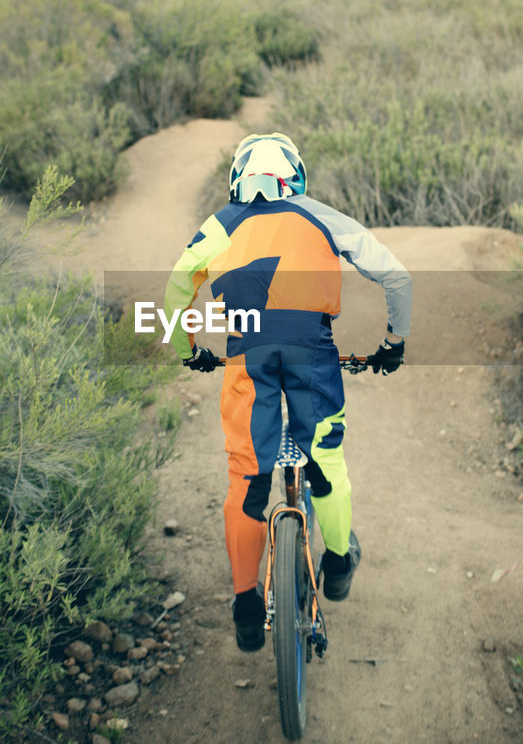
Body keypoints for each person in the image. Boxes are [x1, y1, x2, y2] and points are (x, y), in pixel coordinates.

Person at [163, 132, 412, 652]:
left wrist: (190, 348)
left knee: (247, 479)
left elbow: (175, 287)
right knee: (325, 460)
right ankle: (338, 564)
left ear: (238, 178)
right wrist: (392, 342)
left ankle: (246, 607)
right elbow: (397, 277)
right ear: (294, 175)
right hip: (312, 355)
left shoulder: (220, 225)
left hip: (245, 358)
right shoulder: (320, 215)